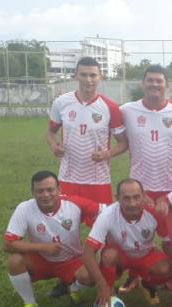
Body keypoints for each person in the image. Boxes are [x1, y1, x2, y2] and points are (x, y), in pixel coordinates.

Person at [3, 171, 103, 307]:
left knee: (91, 274)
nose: (46, 195)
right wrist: (43, 247)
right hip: (41, 260)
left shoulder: (74, 203)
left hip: (72, 260)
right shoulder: (24, 208)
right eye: (40, 191)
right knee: (14, 261)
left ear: (59, 189)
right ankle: (30, 304)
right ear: (33, 192)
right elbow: (8, 244)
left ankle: (73, 289)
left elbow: (107, 211)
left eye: (50, 189)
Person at [46, 57, 127, 207]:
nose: (88, 80)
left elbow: (123, 143)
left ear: (100, 77)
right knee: (67, 225)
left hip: (98, 179)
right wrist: (54, 146)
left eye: (93, 75)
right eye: (83, 75)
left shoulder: (110, 107)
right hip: (68, 177)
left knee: (102, 226)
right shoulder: (61, 102)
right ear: (76, 76)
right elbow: (50, 133)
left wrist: (107, 154)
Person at [82, 179, 172, 307]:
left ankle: (147, 284)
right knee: (109, 255)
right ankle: (109, 290)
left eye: (137, 197)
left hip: (145, 255)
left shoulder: (154, 212)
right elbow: (88, 253)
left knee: (166, 269)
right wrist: (102, 285)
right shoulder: (107, 215)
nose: (132, 203)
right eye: (126, 198)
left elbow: (168, 242)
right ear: (117, 198)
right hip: (120, 257)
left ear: (144, 195)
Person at [117, 65, 172, 202]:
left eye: (159, 81)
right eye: (150, 80)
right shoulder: (126, 110)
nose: (154, 84)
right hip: (138, 188)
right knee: (139, 223)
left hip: (171, 187)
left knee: (170, 223)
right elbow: (103, 122)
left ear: (167, 85)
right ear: (143, 84)